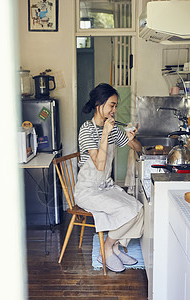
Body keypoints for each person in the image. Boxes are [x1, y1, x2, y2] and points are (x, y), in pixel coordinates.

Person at [74, 83, 144, 272]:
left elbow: (137, 148)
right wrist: (105, 132)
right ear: (99, 104)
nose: (114, 110)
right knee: (128, 211)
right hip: (88, 191)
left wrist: (131, 137)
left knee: (138, 209)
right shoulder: (87, 129)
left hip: (106, 186)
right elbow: (100, 164)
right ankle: (107, 249)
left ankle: (112, 247)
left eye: (115, 106)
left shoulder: (112, 129)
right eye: (111, 105)